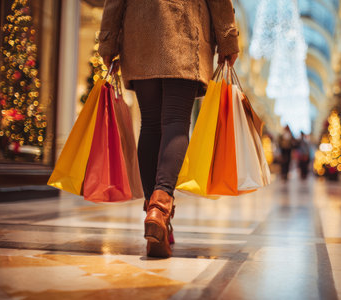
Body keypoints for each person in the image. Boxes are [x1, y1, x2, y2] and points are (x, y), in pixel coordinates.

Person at [98, 0, 239, 258]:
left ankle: (156, 214)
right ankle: (160, 209)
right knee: (175, 121)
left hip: (140, 32)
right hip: (184, 30)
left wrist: (107, 40)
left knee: (150, 124)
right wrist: (228, 39)